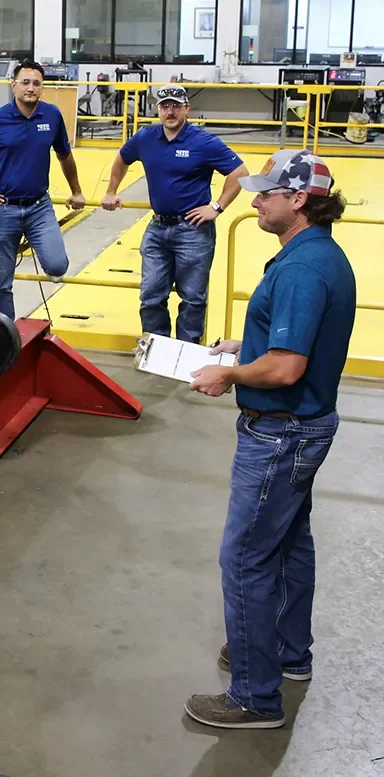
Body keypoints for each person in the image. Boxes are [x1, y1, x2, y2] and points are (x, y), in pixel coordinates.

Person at [187, 149, 355, 730]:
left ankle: (255, 697)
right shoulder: (316, 254)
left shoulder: (302, 269)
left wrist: (230, 374)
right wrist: (247, 346)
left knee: (244, 558)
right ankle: (286, 653)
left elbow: (285, 368)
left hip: (282, 431)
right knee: (287, 544)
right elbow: (290, 343)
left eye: (266, 193)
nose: (255, 201)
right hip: (303, 427)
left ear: (299, 200)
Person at [102, 85, 249, 343]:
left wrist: (216, 207)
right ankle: (156, 349)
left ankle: (186, 353)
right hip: (157, 228)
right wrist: (111, 191)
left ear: (186, 109)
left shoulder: (203, 142)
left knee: (192, 298)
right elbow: (122, 158)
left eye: (176, 106)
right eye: (165, 106)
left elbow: (240, 172)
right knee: (151, 296)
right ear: (158, 109)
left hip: (193, 231)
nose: (170, 112)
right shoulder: (145, 138)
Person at [0, 60, 85, 320]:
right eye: (25, 82)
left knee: (57, 266)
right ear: (13, 85)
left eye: (36, 83)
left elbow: (64, 155)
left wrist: (76, 191)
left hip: (39, 207)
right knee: (1, 282)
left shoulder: (52, 115)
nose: (31, 88)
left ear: (42, 87)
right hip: (3, 209)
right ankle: (5, 333)